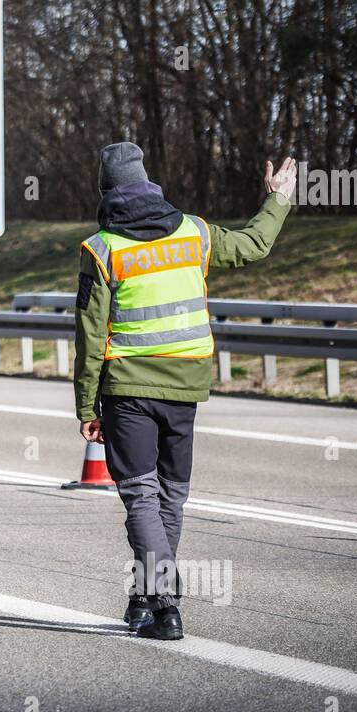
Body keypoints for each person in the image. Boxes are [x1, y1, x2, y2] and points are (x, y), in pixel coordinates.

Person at [74, 142, 296, 641]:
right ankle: (145, 600)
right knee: (170, 496)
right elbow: (253, 245)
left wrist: (87, 405)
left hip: (129, 389)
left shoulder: (102, 248)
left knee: (139, 496)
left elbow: (90, 336)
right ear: (149, 182)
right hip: (187, 385)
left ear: (105, 190)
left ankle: (164, 603)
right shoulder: (194, 231)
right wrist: (276, 199)